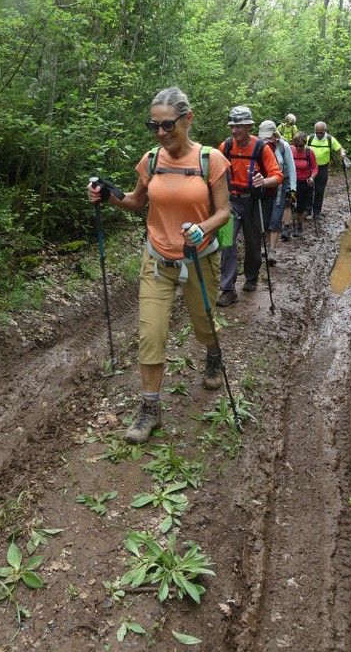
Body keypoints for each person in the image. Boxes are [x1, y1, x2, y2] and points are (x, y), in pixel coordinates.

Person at [87, 87, 231, 444]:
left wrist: (203, 228)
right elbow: (136, 201)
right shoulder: (151, 159)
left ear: (188, 119)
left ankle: (213, 354)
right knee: (150, 334)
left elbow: (224, 212)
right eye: (154, 126)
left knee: (204, 324)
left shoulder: (210, 159)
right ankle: (150, 407)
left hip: (200, 258)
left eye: (168, 125)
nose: (161, 133)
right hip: (157, 258)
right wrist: (110, 194)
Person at [216, 108, 282, 307]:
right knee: (227, 242)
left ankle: (252, 276)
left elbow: (277, 176)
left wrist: (265, 180)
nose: (234, 130)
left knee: (253, 244)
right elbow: (216, 175)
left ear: (249, 127)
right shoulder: (225, 147)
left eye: (238, 126)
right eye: (231, 126)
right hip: (230, 201)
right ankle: (228, 289)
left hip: (254, 201)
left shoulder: (262, 148)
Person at [261, 121, 297, 266]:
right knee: (266, 218)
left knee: (276, 218)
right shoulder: (260, 146)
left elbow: (292, 168)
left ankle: (272, 250)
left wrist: (293, 189)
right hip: (264, 186)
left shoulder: (283, 146)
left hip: (281, 186)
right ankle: (268, 245)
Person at [305, 121, 347, 219]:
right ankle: (307, 210)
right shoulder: (310, 138)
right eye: (317, 132)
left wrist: (342, 153)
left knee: (320, 190)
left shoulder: (330, 139)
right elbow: (299, 146)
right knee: (309, 189)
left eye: (321, 133)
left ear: (325, 131)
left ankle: (316, 212)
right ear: (315, 131)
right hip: (310, 167)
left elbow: (340, 148)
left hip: (323, 168)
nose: (319, 135)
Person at [291, 131, 318, 237]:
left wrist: (312, 178)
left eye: (301, 146)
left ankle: (299, 226)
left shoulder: (309, 152)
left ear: (305, 144)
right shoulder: (290, 150)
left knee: (301, 206)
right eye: (296, 145)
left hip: (305, 181)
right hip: (292, 181)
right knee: (288, 204)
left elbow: (315, 168)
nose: (298, 148)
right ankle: (287, 227)